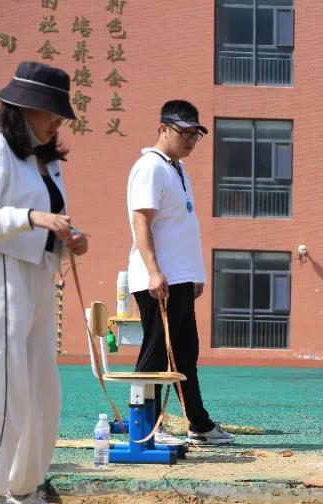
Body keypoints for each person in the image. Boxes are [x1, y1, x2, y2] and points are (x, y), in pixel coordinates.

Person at [0, 61, 88, 504]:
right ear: (26, 108)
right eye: (51, 113)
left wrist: (71, 239)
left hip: (36, 273)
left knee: (40, 391)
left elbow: (47, 218)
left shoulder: (42, 158)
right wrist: (31, 218)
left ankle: (24, 494)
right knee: (1, 384)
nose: (58, 121)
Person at [127, 99, 234, 446]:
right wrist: (155, 272)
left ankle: (198, 424)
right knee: (156, 353)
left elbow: (182, 224)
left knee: (186, 353)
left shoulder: (177, 168)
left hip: (180, 279)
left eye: (195, 134)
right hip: (159, 281)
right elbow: (141, 222)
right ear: (162, 129)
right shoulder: (150, 167)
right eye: (183, 132)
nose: (190, 139)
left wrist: (194, 273)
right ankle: (142, 429)